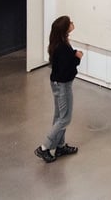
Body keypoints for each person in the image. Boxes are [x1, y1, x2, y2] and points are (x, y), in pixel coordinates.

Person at [35, 15, 83, 163]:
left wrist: (73, 55)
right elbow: (66, 65)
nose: (72, 23)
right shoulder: (62, 47)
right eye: (70, 23)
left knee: (59, 116)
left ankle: (60, 145)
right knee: (64, 118)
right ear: (64, 29)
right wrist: (78, 57)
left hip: (58, 83)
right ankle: (44, 147)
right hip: (63, 85)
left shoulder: (60, 43)